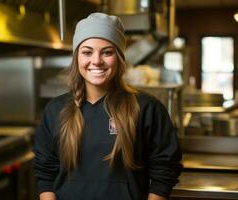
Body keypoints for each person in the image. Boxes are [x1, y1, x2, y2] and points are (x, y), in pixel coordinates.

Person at [33, 12, 182, 200]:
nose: (96, 61)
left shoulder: (146, 108)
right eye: (87, 52)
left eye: (107, 52)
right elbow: (46, 173)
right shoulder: (56, 110)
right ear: (77, 58)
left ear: (119, 58)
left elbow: (165, 170)